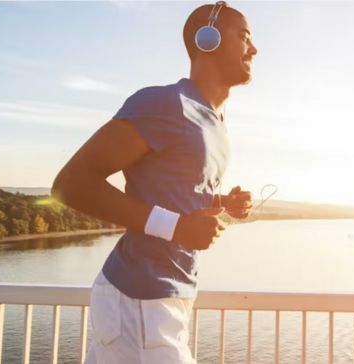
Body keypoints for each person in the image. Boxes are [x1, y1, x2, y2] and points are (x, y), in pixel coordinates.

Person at [51, 1, 257, 363]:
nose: (253, 49)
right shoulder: (164, 104)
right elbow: (71, 183)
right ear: (207, 40)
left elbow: (179, 194)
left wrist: (221, 202)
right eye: (243, 37)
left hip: (167, 296)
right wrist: (177, 227)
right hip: (138, 297)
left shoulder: (215, 122)